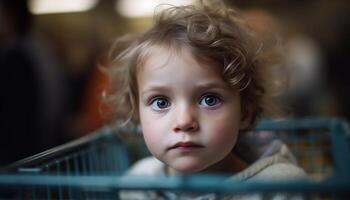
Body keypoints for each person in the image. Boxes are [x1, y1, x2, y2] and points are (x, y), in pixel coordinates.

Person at [104, 0, 306, 199]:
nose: (184, 122)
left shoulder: (279, 187)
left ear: (246, 111)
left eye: (209, 99)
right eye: (161, 102)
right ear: (137, 114)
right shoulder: (138, 184)